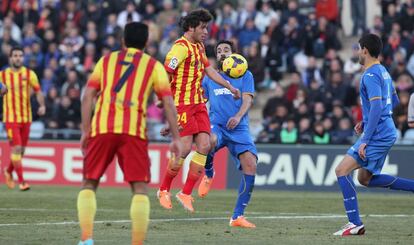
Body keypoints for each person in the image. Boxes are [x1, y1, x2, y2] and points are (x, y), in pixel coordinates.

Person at [77, 22, 182, 245]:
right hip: (133, 131)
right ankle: (137, 242)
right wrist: (175, 138)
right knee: (139, 188)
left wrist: (86, 131)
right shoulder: (153, 66)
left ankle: (86, 239)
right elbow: (168, 103)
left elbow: (88, 97)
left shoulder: (106, 61)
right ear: (146, 43)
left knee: (89, 183)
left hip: (102, 128)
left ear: (123, 41)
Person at [157, 8, 240, 213]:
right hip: (182, 104)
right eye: (202, 28)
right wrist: (164, 102)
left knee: (205, 144)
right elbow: (166, 73)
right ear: (191, 27)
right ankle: (163, 189)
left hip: (199, 104)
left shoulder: (200, 46)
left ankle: (185, 193)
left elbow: (208, 70)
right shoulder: (180, 48)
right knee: (184, 149)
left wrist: (229, 86)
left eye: (207, 27)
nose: (206, 31)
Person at [334, 33, 414, 236]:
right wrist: (366, 120)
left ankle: (354, 223)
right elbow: (393, 103)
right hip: (384, 129)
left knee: (341, 170)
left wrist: (366, 138)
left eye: (358, 48)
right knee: (365, 179)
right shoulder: (384, 71)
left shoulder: (370, 75)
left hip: (378, 133)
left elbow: (378, 106)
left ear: (365, 50)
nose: (357, 52)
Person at [197, 40, 257, 228]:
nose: (223, 52)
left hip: (239, 128)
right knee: (209, 141)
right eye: (219, 50)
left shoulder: (246, 75)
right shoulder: (209, 78)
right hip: (218, 125)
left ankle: (237, 216)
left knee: (251, 166)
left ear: (233, 54)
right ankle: (208, 173)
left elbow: (248, 100)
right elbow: (200, 101)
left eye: (226, 50)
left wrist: (238, 116)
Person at [1, 46, 46, 191]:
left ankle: (8, 171)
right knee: (17, 148)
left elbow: (38, 91)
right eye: (15, 55)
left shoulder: (29, 74)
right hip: (10, 118)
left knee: (21, 152)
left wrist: (42, 105)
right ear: (10, 58)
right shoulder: (2, 76)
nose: (18, 58)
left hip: (26, 118)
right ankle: (22, 182)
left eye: (20, 55)